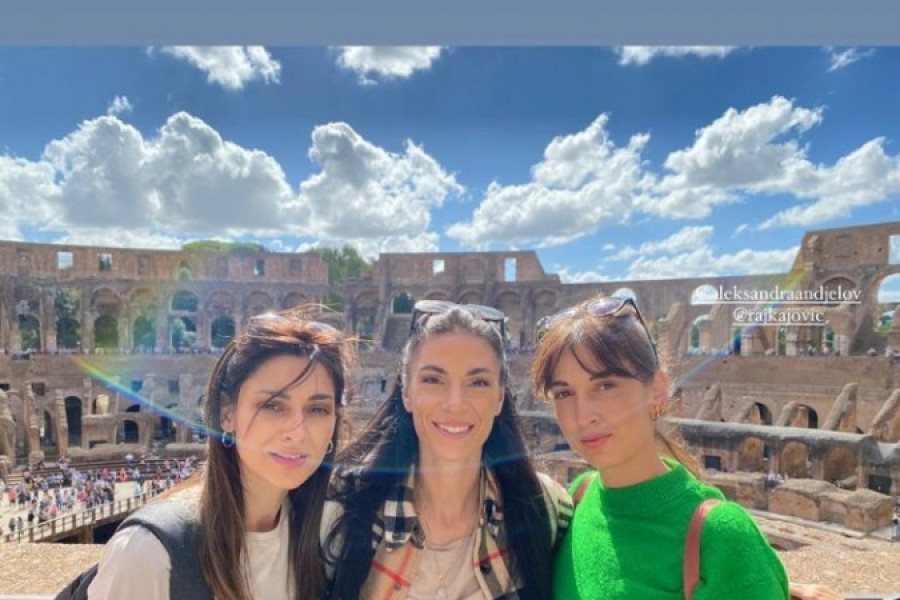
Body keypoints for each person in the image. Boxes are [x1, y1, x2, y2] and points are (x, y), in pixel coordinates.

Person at [531, 295, 842, 600]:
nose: (583, 416)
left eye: (605, 385)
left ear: (657, 389)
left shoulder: (723, 535)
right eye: (564, 393)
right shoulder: (581, 494)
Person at [86, 307, 353, 600]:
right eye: (273, 405)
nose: (297, 431)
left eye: (318, 409)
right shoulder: (149, 553)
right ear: (227, 414)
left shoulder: (324, 538)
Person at [323, 301, 572, 600]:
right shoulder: (341, 510)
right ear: (406, 392)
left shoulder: (544, 507)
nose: (455, 403)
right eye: (433, 380)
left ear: (499, 398)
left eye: (478, 382)